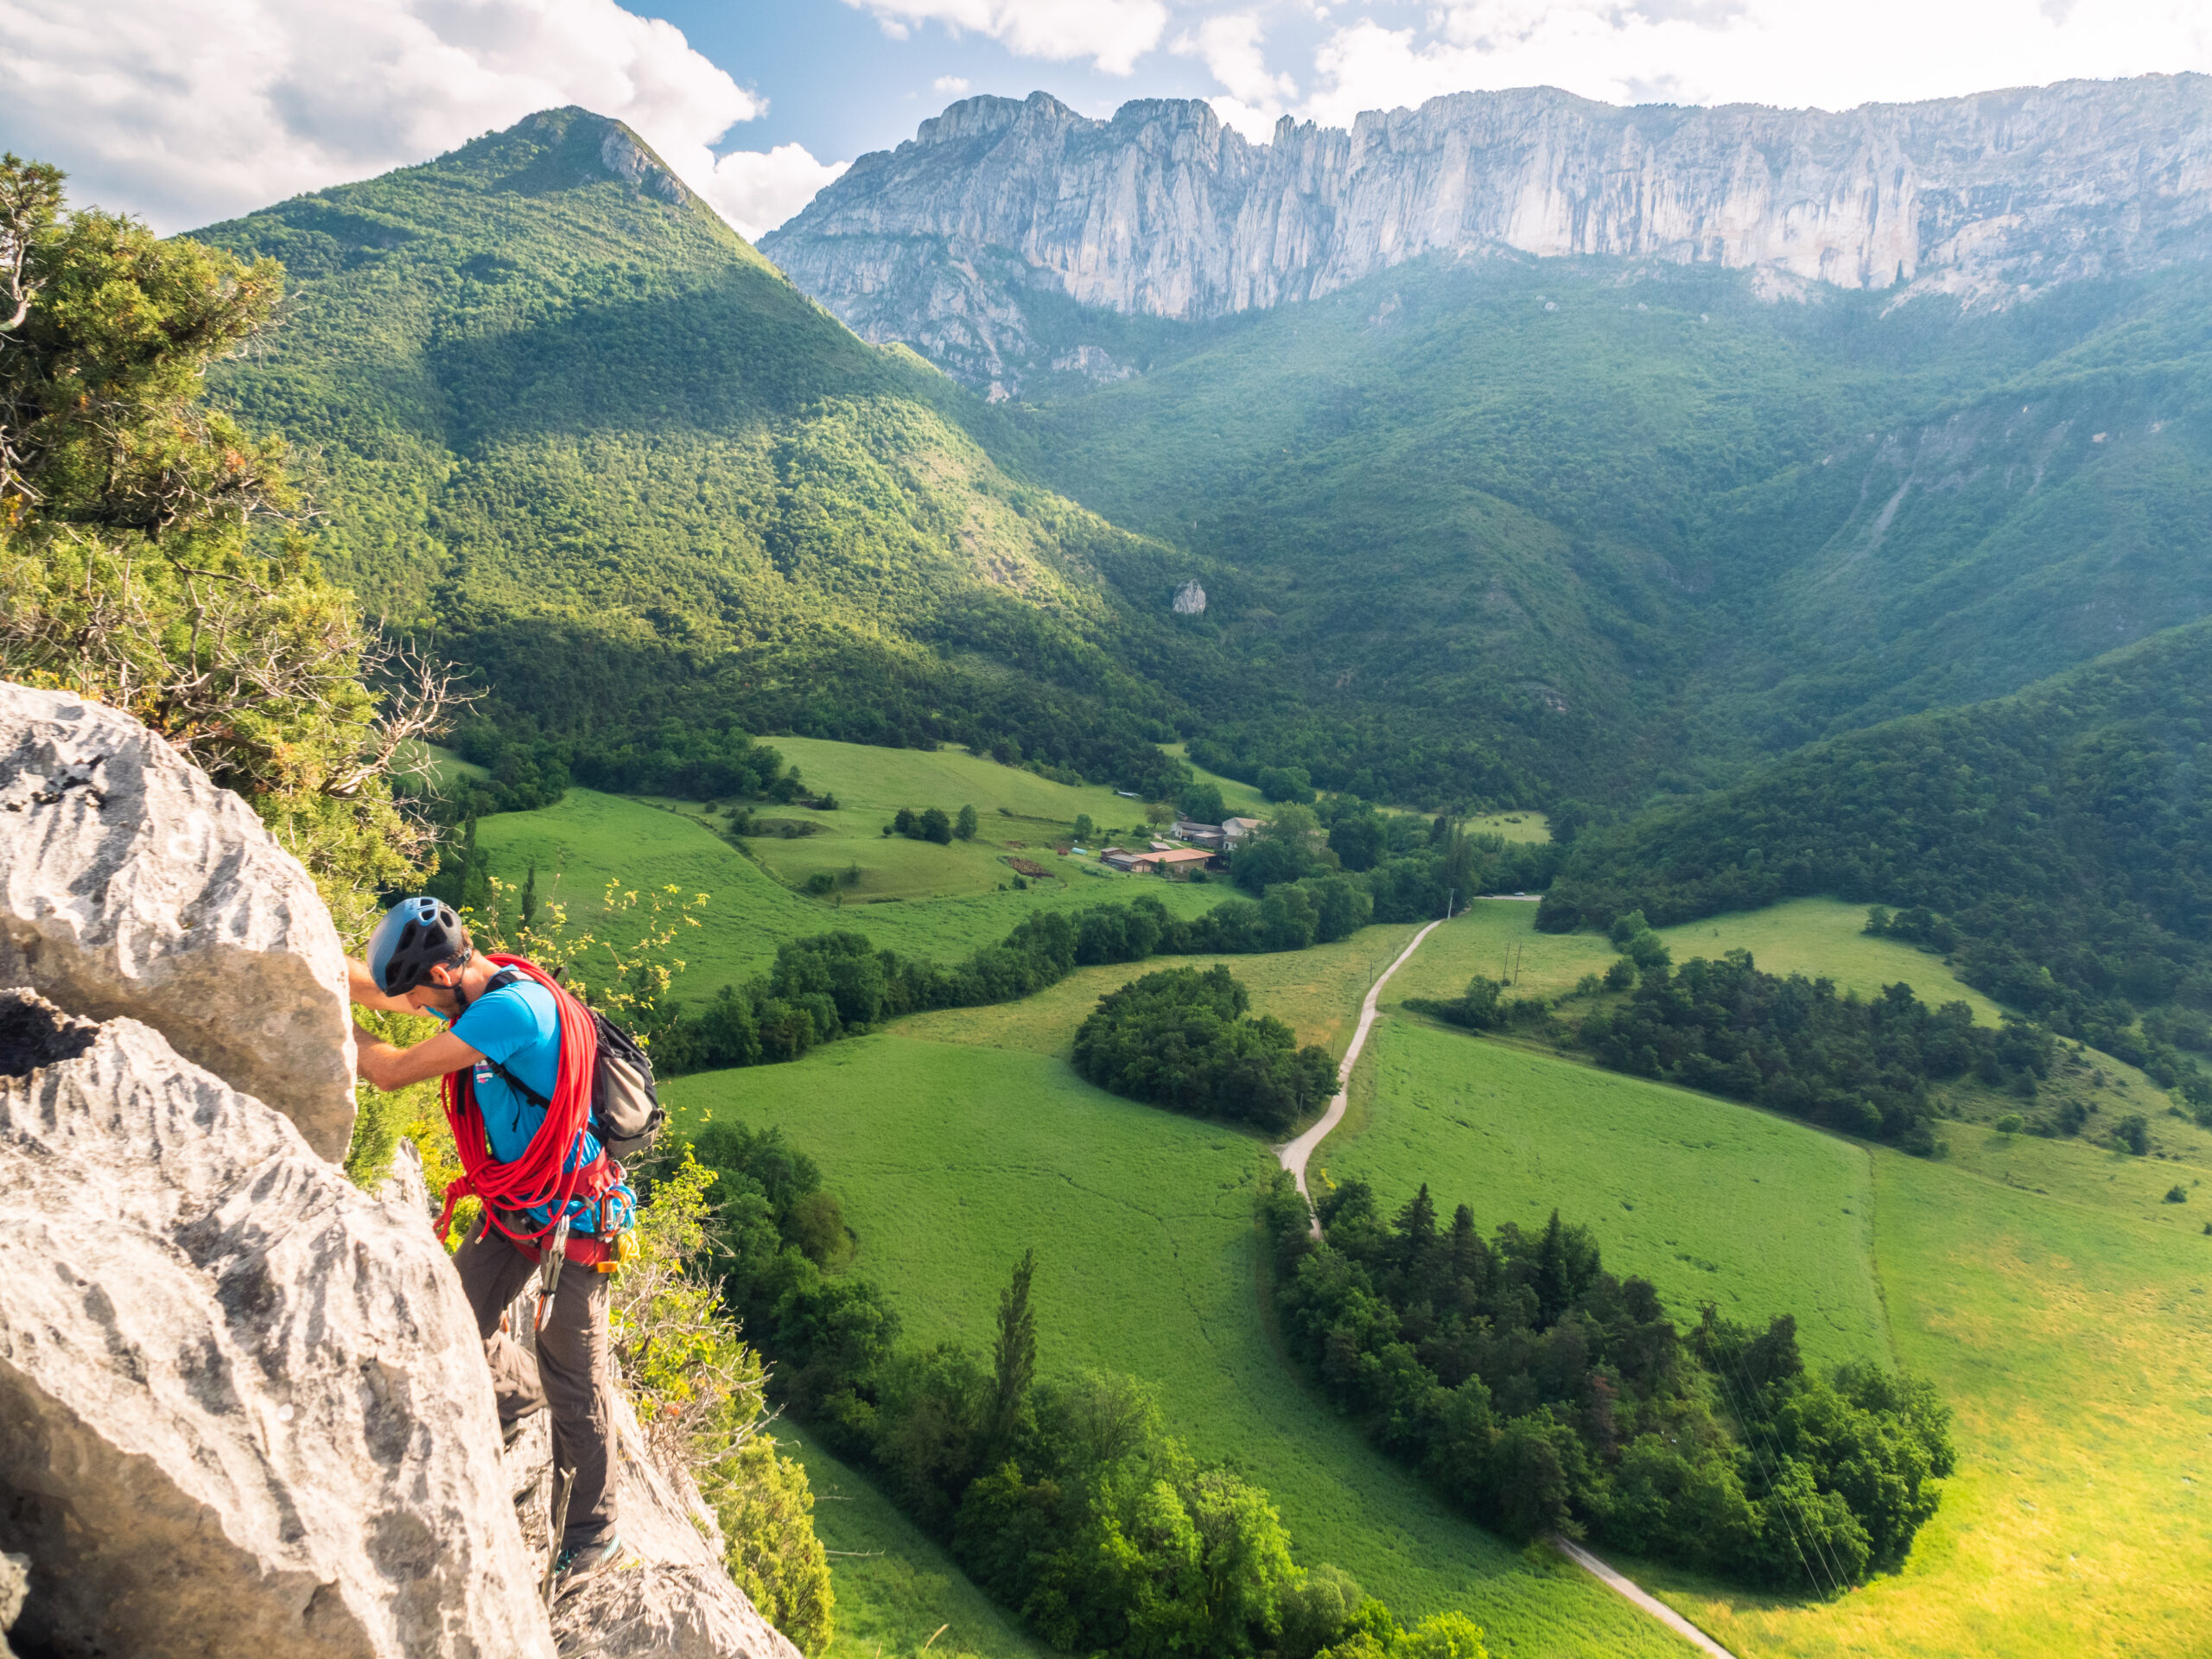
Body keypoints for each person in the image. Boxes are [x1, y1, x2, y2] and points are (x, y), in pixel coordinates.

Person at [347, 894, 627, 1590]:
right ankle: (513, 1392)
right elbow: (384, 1000)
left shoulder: (506, 1010)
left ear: (441, 975)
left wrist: (321, 1022)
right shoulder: (471, 982)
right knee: (450, 1319)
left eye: (416, 991)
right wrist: (308, 965)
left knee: (574, 1376)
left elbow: (387, 1070)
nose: (413, 1002)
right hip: (516, 1206)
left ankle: (593, 1535)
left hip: (574, 1220)